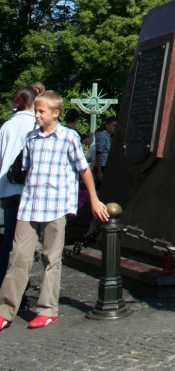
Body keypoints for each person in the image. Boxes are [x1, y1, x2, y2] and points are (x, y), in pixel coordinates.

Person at [0, 90, 109, 330]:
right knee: (18, 256)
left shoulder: (69, 137)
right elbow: (27, 170)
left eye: (41, 111)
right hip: (29, 205)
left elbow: (84, 169)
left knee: (52, 258)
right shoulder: (31, 138)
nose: (37, 115)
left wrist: (93, 199)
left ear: (55, 113)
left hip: (55, 205)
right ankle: (6, 309)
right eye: (36, 110)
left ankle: (47, 309)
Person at [0, 87, 37, 285]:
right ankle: (18, 290)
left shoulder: (6, 126)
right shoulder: (33, 124)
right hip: (26, 189)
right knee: (23, 244)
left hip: (6, 188)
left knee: (8, 242)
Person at [94, 117, 116, 186]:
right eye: (113, 125)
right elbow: (98, 153)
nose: (115, 128)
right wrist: (99, 171)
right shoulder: (103, 136)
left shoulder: (110, 136)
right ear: (107, 125)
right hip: (102, 166)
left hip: (107, 165)